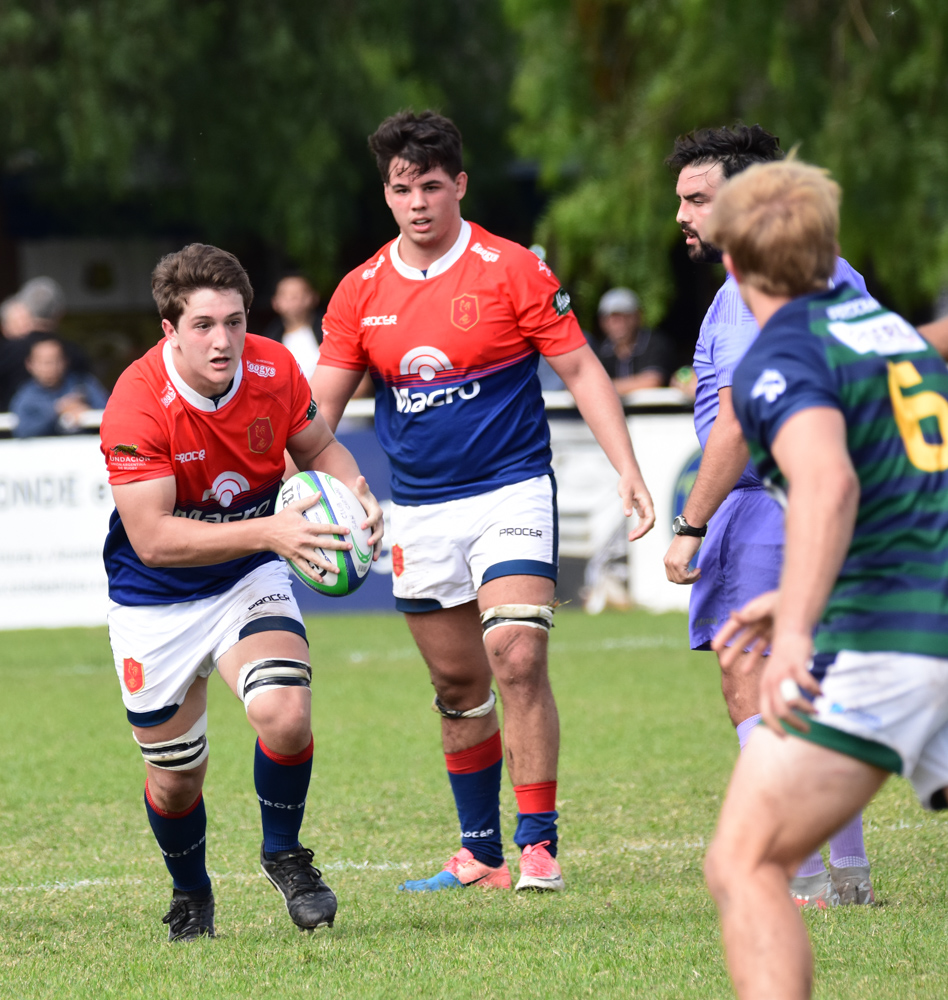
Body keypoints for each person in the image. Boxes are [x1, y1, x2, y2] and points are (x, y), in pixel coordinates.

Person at [310, 110, 655, 895]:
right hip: (421, 508)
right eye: (403, 189)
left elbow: (584, 371)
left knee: (518, 655)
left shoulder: (512, 269)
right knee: (460, 688)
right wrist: (298, 500)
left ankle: (537, 842)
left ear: (459, 185)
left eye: (432, 185)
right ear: (388, 195)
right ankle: (481, 854)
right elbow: (316, 417)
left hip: (512, 488)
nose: (418, 202)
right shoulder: (361, 292)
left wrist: (627, 468)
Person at [701, 159, 948, 999]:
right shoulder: (886, 330)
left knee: (745, 861)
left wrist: (798, 627)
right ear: (832, 250)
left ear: (731, 265)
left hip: (897, 639)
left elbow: (830, 483)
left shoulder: (781, 357)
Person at [101, 243, 383, 940]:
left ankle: (285, 853)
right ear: (169, 330)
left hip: (246, 577)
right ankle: (191, 891)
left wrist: (356, 493)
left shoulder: (273, 366)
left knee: (285, 715)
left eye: (234, 320)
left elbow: (318, 450)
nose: (223, 339)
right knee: (175, 778)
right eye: (203, 325)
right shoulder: (138, 403)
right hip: (154, 597)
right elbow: (154, 539)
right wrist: (270, 532)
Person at [659, 124, 874, 906]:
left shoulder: (760, 279)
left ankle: (807, 880)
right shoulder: (829, 269)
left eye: (697, 198)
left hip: (770, 506)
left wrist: (691, 523)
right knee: (810, 684)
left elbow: (741, 419)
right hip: (829, 498)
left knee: (756, 679)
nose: (681, 214)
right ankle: (843, 877)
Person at [0, 277, 90, 409]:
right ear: (60, 313)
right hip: (64, 427)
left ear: (26, 310)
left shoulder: (9, 349)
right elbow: (87, 387)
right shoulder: (73, 351)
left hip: (17, 427)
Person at [10, 338, 108, 438]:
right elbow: (23, 431)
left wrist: (87, 412)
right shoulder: (25, 395)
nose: (52, 367)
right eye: (46, 362)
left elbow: (108, 413)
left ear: (66, 361)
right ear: (30, 364)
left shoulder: (84, 384)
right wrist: (56, 411)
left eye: (56, 360)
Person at [594, 287, 675, 394]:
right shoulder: (602, 350)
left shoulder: (655, 342)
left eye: (625, 316)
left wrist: (605, 387)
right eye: (612, 317)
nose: (618, 323)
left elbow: (652, 382)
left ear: (638, 316)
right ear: (602, 322)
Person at [269, 275, 322, 378]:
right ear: (275, 302)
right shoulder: (269, 340)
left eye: (298, 294)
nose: (291, 299)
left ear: (313, 298)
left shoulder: (329, 332)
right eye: (285, 295)